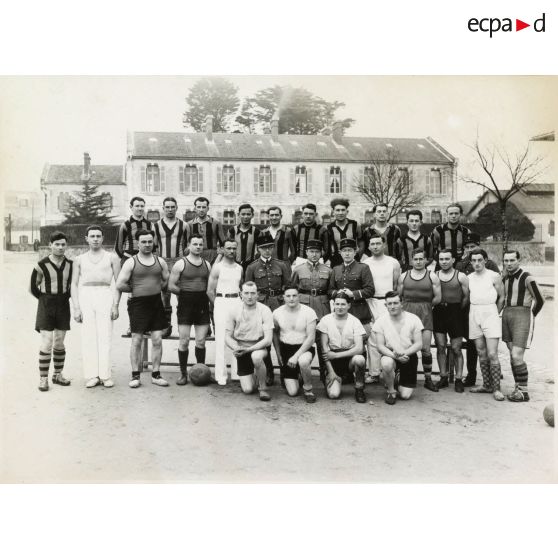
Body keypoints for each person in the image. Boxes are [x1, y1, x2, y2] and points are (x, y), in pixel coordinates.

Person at [116, 229, 170, 388]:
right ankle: (135, 375)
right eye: (143, 242)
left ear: (153, 242)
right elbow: (120, 284)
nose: (147, 244)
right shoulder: (131, 262)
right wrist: (135, 290)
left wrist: (155, 287)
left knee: (157, 339)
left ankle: (156, 374)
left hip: (155, 303)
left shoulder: (160, 261)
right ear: (138, 243)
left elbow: (166, 280)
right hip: (138, 304)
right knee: (137, 340)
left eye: (149, 241)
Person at [70, 226, 121, 388]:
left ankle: (105, 375)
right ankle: (92, 375)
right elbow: (74, 284)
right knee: (88, 336)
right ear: (86, 238)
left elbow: (119, 284)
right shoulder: (79, 259)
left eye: (98, 236)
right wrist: (76, 307)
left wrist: (115, 305)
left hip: (105, 294)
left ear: (103, 238)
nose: (95, 239)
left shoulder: (112, 258)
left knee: (104, 335)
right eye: (92, 236)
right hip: (86, 296)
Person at [245, 231, 291, 386]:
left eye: (270, 247)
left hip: (279, 304)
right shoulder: (252, 267)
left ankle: (286, 373)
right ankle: (269, 372)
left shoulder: (282, 265)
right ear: (258, 249)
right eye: (264, 248)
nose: (267, 250)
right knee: (264, 339)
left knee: (282, 338)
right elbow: (248, 289)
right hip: (261, 305)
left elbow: (289, 287)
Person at [29, 231, 73, 392]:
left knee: (59, 341)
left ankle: (58, 374)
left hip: (63, 304)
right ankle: (43, 379)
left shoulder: (70, 264)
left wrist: (65, 298)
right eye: (57, 244)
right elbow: (33, 287)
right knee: (46, 341)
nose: (60, 247)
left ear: (66, 246)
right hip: (46, 304)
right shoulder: (41, 264)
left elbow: (72, 286)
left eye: (63, 244)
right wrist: (44, 300)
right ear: (50, 245)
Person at [456, 233, 500, 387]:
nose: (470, 250)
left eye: (472, 247)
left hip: (489, 311)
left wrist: (495, 311)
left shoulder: (492, 269)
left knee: (491, 350)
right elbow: (462, 293)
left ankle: (495, 383)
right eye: (467, 248)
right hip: (470, 312)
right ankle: (477, 379)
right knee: (476, 349)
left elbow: (500, 294)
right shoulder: (463, 268)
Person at [328, 237, 375, 383]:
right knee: (343, 343)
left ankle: (359, 375)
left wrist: (353, 294)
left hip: (359, 312)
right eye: (344, 251)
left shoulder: (363, 268)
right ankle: (345, 373)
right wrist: (338, 294)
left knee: (360, 346)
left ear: (355, 251)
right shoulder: (335, 269)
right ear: (340, 252)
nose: (347, 253)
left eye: (350, 250)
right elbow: (329, 290)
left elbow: (370, 290)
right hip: (341, 313)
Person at [168, 234, 212, 386]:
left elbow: (210, 287)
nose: (198, 247)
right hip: (186, 304)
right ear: (189, 245)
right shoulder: (181, 264)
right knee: (184, 341)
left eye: (200, 244)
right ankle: (183, 374)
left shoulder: (207, 264)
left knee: (200, 341)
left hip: (202, 304)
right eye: (195, 244)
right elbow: (171, 285)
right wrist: (185, 294)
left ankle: (202, 372)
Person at [501, 250, 544, 402]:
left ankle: (524, 392)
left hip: (523, 315)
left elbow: (540, 299)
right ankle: (518, 388)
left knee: (516, 355)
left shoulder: (527, 277)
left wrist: (530, 316)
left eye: (512, 260)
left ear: (519, 260)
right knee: (512, 355)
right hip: (507, 315)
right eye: (506, 261)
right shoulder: (504, 277)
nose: (509, 264)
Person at [398, 248, 441, 392]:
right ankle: (405, 377)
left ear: (426, 260)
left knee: (425, 348)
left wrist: (426, 306)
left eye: (421, 259)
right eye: (415, 259)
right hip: (407, 312)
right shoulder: (404, 276)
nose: (418, 261)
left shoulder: (432, 276)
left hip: (425, 313)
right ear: (411, 260)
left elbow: (438, 297)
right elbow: (399, 296)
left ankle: (428, 379)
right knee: (405, 346)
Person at [291, 239, 332, 386]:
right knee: (301, 339)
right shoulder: (298, 269)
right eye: (311, 252)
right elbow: (292, 289)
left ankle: (325, 372)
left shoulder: (328, 270)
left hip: (322, 308)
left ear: (321, 253)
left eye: (317, 252)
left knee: (323, 342)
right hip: (304, 307)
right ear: (306, 252)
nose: (314, 255)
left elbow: (330, 289)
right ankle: (298, 372)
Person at [361, 233, 401, 383]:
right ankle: (374, 372)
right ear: (369, 246)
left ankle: (389, 372)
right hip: (371, 301)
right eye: (373, 244)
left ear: (384, 245)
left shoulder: (393, 262)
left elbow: (397, 285)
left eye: (378, 243)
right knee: (372, 337)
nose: (376, 246)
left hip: (388, 302)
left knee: (390, 337)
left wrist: (393, 304)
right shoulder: (366, 262)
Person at [225, 282, 274, 402]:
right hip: (242, 349)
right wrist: (235, 347)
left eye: (253, 293)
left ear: (258, 294)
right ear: (241, 294)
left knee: (256, 357)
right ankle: (255, 375)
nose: (249, 296)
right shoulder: (233, 310)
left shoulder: (265, 310)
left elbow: (268, 340)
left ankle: (263, 388)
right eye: (246, 293)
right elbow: (227, 337)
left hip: (259, 348)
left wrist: (249, 350)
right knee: (248, 390)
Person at [372, 291, 424, 405]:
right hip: (390, 354)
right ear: (385, 305)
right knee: (386, 364)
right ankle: (391, 391)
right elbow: (380, 346)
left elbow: (419, 344)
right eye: (389, 304)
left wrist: (404, 354)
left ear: (402, 303)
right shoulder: (380, 321)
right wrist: (396, 356)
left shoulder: (413, 319)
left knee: (405, 395)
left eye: (395, 303)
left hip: (408, 355)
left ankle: (395, 377)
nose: (392, 306)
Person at [467, 249, 505, 401]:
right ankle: (486, 385)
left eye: (479, 260)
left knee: (492, 353)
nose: (477, 263)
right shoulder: (468, 278)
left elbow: (502, 297)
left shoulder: (494, 276)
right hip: (474, 312)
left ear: (485, 260)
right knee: (481, 352)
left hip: (490, 311)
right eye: (474, 260)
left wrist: (495, 313)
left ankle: (496, 389)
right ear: (470, 262)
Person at [316, 293, 367, 403]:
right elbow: (324, 350)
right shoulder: (325, 320)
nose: (339, 307)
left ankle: (359, 388)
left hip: (349, 358)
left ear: (349, 305)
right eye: (337, 304)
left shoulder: (355, 321)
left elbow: (358, 348)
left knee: (360, 359)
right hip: (333, 362)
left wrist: (336, 355)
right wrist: (331, 372)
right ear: (333, 305)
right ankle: (334, 379)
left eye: (343, 304)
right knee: (334, 395)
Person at [272, 284, 318, 403]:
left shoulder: (309, 312)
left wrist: (296, 356)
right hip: (286, 349)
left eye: (294, 295)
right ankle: (296, 375)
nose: (291, 298)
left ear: (299, 296)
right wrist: (278, 354)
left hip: (304, 348)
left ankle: (308, 389)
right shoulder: (277, 313)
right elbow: (275, 334)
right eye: (288, 296)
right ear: (283, 297)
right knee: (292, 392)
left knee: (303, 361)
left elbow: (311, 338)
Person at [206, 239, 243, 386]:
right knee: (221, 338)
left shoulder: (239, 268)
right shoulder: (217, 267)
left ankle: (237, 372)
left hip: (237, 302)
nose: (232, 251)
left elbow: (240, 287)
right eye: (228, 248)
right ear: (222, 249)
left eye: (234, 248)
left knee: (236, 337)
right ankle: (220, 374)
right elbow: (209, 291)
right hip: (221, 301)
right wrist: (218, 305)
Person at [114, 196, 153, 335]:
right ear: (131, 207)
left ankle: (147, 326)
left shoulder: (149, 225)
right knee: (132, 295)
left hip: (146, 262)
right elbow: (118, 247)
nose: (140, 208)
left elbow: (153, 245)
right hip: (130, 260)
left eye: (142, 206)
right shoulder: (125, 225)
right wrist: (129, 259)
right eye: (137, 206)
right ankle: (133, 326)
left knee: (147, 293)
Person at [432, 249, 469, 392]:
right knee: (441, 346)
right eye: (441, 259)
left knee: (456, 348)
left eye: (447, 259)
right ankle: (443, 377)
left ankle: (459, 379)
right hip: (439, 312)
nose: (444, 262)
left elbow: (466, 297)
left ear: (453, 260)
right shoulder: (434, 276)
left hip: (455, 313)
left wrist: (458, 310)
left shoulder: (461, 276)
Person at [153, 197, 186, 338]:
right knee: (164, 295)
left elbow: (187, 246)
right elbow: (154, 246)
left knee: (180, 295)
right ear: (163, 208)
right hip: (163, 262)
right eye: (167, 207)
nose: (170, 209)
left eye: (173, 207)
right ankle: (166, 325)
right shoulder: (156, 225)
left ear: (177, 208)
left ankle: (182, 326)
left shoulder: (184, 225)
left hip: (178, 262)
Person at [184, 196, 225, 264]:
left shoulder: (216, 223)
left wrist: (220, 256)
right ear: (195, 208)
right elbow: (187, 243)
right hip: (195, 255)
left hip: (212, 256)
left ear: (208, 208)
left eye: (204, 207)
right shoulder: (189, 224)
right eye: (199, 207)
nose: (201, 210)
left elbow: (223, 243)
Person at [325, 198, 362, 268]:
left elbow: (361, 243)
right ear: (333, 212)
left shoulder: (355, 225)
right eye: (338, 210)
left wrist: (357, 256)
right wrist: (332, 258)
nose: (340, 213)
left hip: (354, 262)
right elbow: (328, 248)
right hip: (336, 263)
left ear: (347, 211)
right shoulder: (329, 228)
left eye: (343, 210)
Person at [227, 203, 261, 272]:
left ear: (252, 215)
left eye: (248, 214)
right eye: (243, 214)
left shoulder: (256, 232)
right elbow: (226, 248)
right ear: (238, 215)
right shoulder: (232, 231)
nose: (245, 217)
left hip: (251, 266)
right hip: (233, 265)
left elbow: (260, 250)